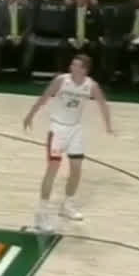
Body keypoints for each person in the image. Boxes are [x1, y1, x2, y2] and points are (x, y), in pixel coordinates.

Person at [22, 54, 114, 232]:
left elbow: (103, 104)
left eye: (76, 65)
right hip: (57, 129)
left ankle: (67, 205)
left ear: (84, 70)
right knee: (53, 169)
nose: (72, 67)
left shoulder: (91, 85)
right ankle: (41, 214)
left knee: (76, 169)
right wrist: (30, 115)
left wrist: (108, 126)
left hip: (75, 130)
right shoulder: (61, 80)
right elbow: (44, 97)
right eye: (72, 64)